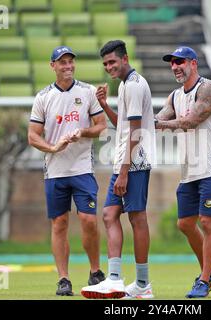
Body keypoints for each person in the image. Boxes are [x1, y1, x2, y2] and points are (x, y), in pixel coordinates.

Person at [28, 46, 107, 296]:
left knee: (89, 221)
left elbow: (101, 126)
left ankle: (95, 272)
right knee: (59, 223)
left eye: (71, 62)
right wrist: (52, 147)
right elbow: (32, 136)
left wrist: (82, 132)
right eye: (62, 62)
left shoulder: (88, 92)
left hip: (82, 168)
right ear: (53, 66)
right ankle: (63, 279)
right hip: (55, 171)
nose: (68, 66)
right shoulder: (43, 97)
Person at [80, 40, 156, 299]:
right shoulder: (125, 85)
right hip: (123, 162)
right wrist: (104, 105)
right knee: (110, 215)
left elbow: (136, 132)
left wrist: (124, 172)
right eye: (105, 64)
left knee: (137, 218)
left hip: (134, 163)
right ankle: (114, 279)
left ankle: (143, 284)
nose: (109, 67)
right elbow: (122, 126)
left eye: (112, 62)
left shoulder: (135, 85)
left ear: (125, 59)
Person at [155, 46, 211, 298]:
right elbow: (161, 118)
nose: (176, 66)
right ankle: (210, 275)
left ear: (193, 63)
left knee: (207, 222)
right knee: (185, 223)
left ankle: (203, 280)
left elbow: (189, 122)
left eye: (180, 62)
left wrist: (155, 124)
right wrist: (139, 119)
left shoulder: (208, 89)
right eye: (172, 63)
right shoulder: (175, 96)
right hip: (190, 169)